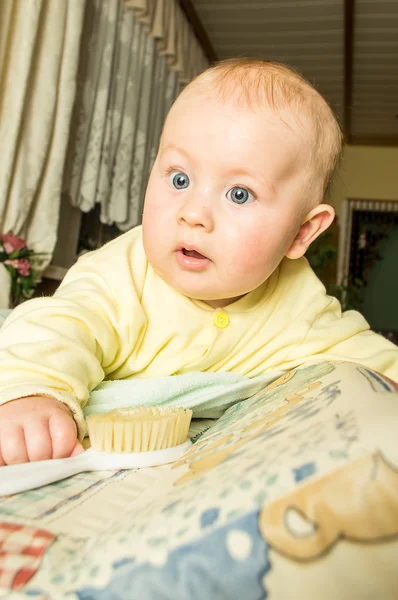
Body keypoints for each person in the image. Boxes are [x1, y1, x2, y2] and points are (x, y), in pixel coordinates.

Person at [0, 58, 397, 466]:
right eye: (179, 179)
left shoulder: (302, 310)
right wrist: (33, 392)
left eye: (239, 194)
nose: (193, 213)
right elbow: (57, 327)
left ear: (301, 233)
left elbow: (375, 363)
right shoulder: (122, 275)